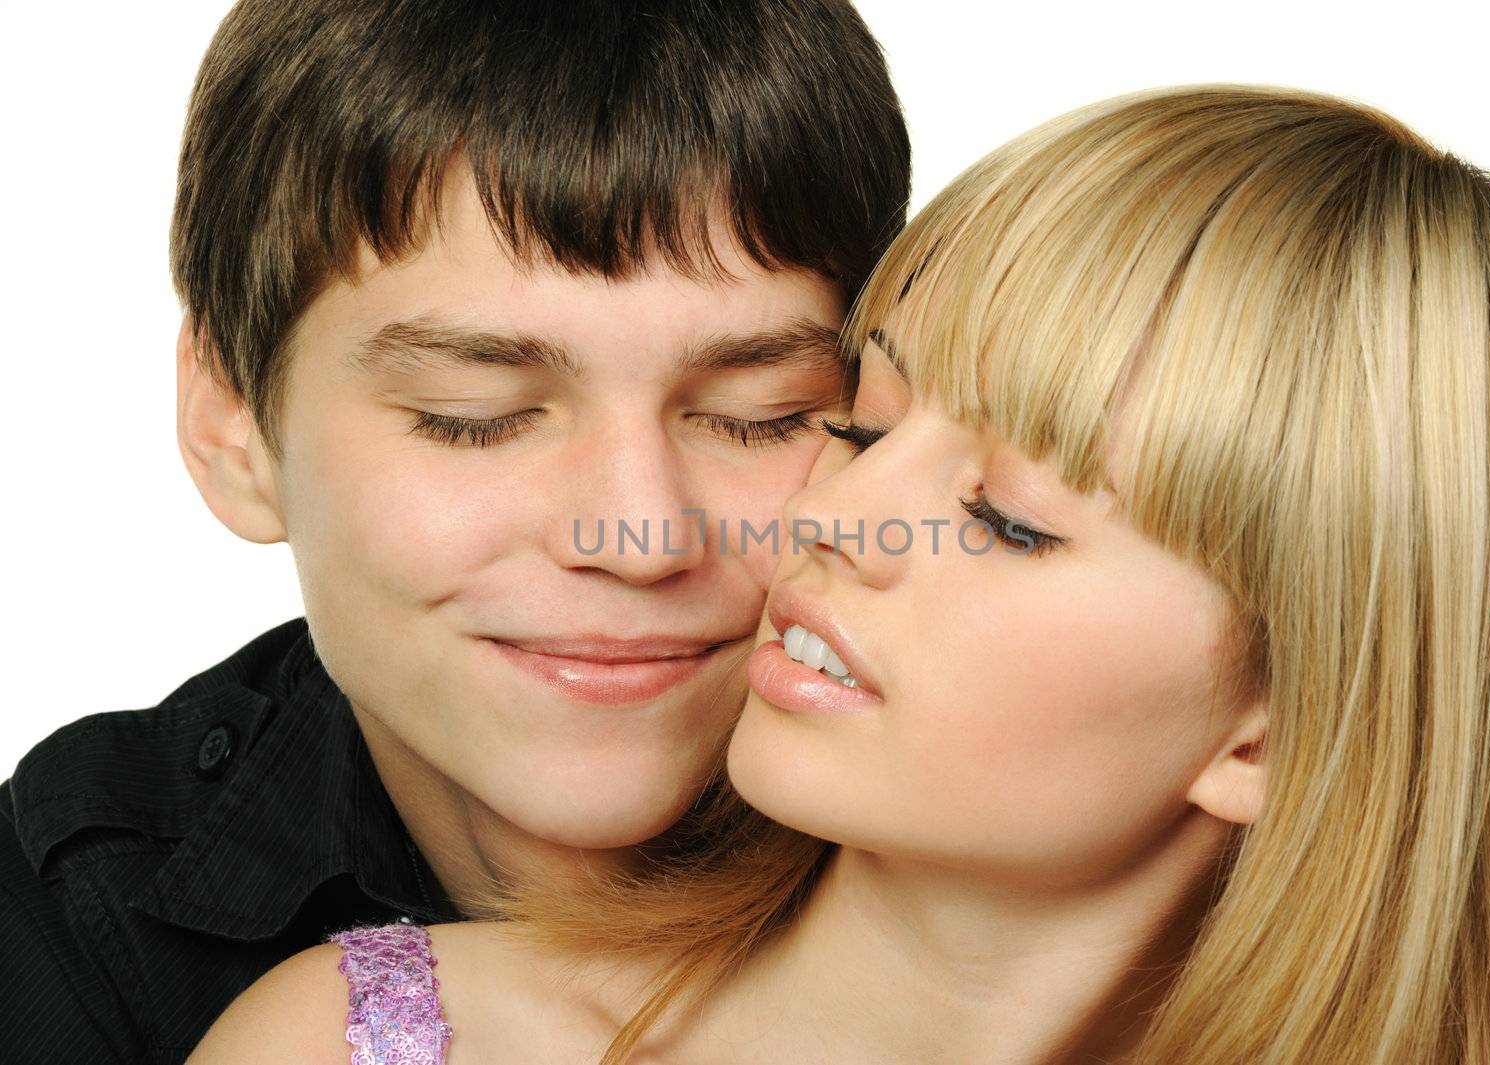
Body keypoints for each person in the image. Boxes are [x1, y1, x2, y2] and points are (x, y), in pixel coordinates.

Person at [189, 83, 1490, 1065]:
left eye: (1007, 518)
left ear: (1279, 727)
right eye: (853, 423)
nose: (837, 517)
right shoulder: (375, 1036)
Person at [0, 2, 910, 1061]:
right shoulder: (66, 924)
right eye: (473, 418)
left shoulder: (1043, 822)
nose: (641, 536)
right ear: (232, 427)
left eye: (761, 416)